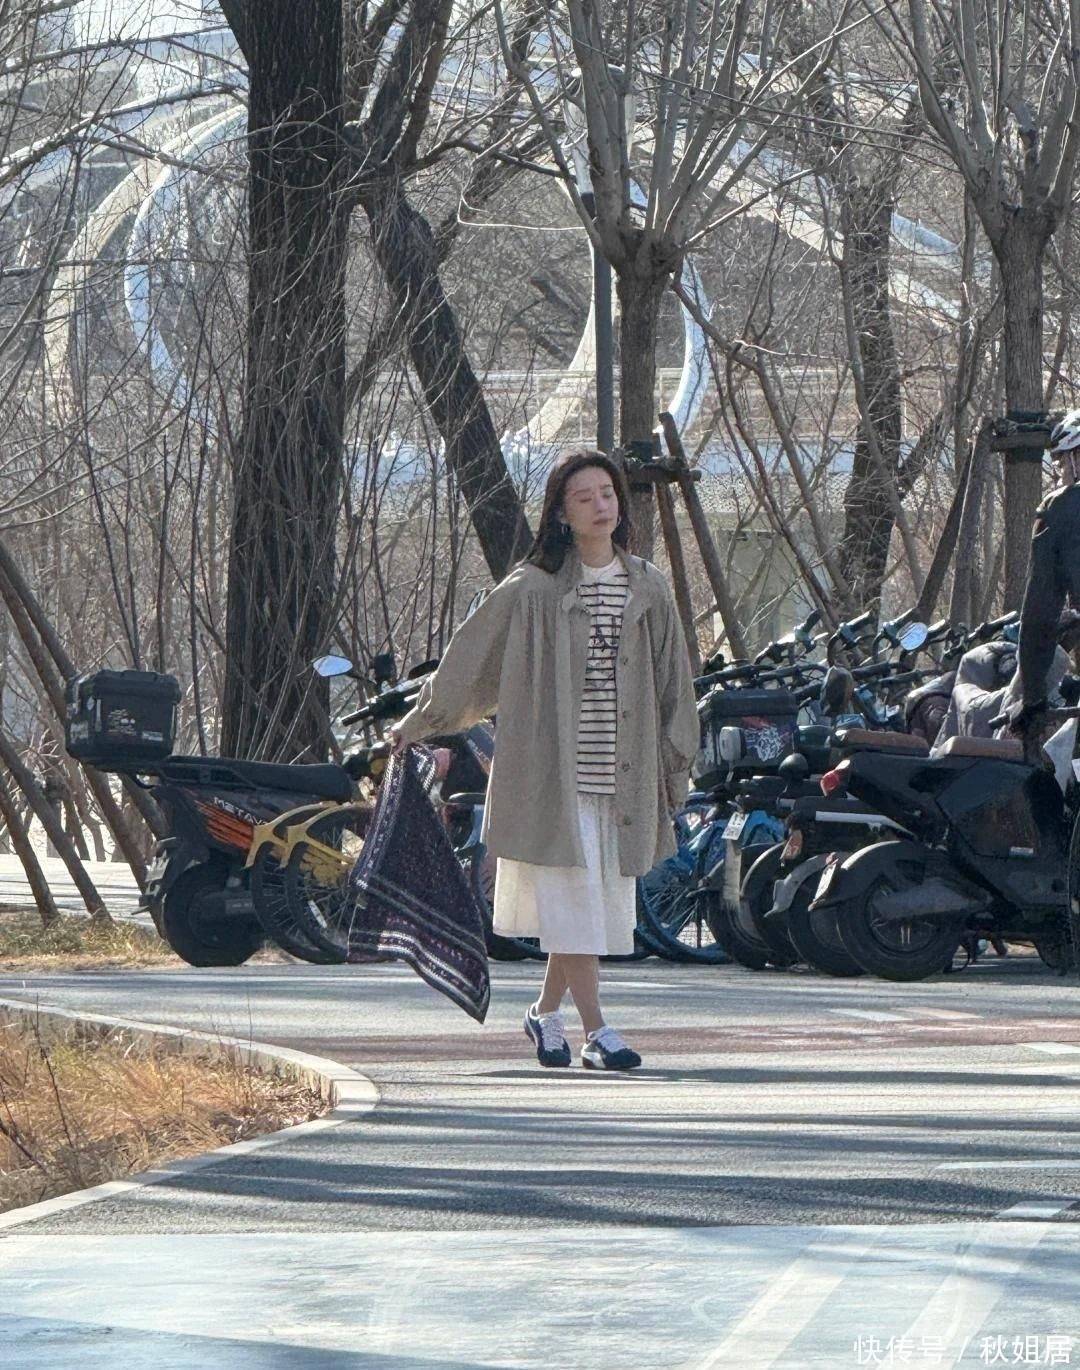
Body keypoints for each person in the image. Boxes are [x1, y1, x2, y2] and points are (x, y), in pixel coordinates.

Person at [389, 449, 700, 1070]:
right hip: (552, 778)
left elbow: (675, 683)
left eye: (607, 493)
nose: (600, 506)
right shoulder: (533, 587)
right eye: (584, 497)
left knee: (584, 908)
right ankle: (598, 1032)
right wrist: (419, 722)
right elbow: (469, 661)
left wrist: (675, 764)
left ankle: (543, 1013)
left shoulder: (647, 586)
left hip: (623, 778)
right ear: (561, 511)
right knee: (575, 904)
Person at [1009, 410, 1080, 740]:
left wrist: (1033, 696)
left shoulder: (1061, 509)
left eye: (1062, 462)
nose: (1062, 473)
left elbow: (1039, 613)